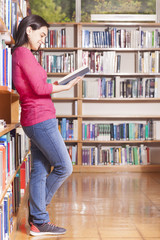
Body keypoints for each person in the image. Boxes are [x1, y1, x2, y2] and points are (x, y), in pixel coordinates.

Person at [12, 14, 82, 236]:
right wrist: (66, 86)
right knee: (64, 166)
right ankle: (38, 215)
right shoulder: (22, 54)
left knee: (40, 171)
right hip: (40, 120)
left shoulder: (24, 55)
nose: (43, 40)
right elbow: (41, 90)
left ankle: (38, 220)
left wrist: (58, 83)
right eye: (41, 35)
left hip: (37, 118)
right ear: (28, 30)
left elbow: (39, 85)